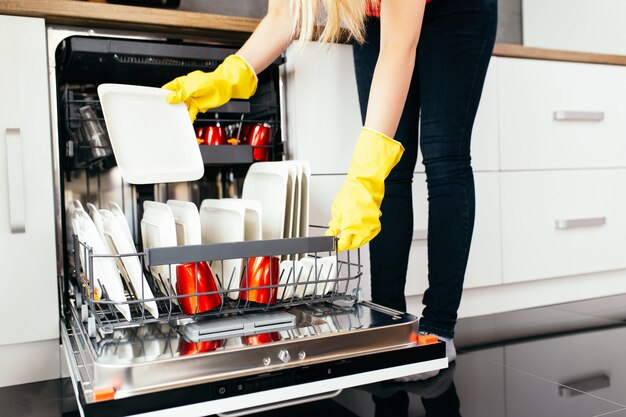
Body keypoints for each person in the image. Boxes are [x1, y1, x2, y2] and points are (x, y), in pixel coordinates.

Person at [162, 0, 497, 380]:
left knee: (444, 156)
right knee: (391, 173)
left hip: (457, 12)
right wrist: (227, 76)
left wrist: (364, 173)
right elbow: (285, 15)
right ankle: (389, 327)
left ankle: (438, 327)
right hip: (375, 17)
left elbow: (398, 51)